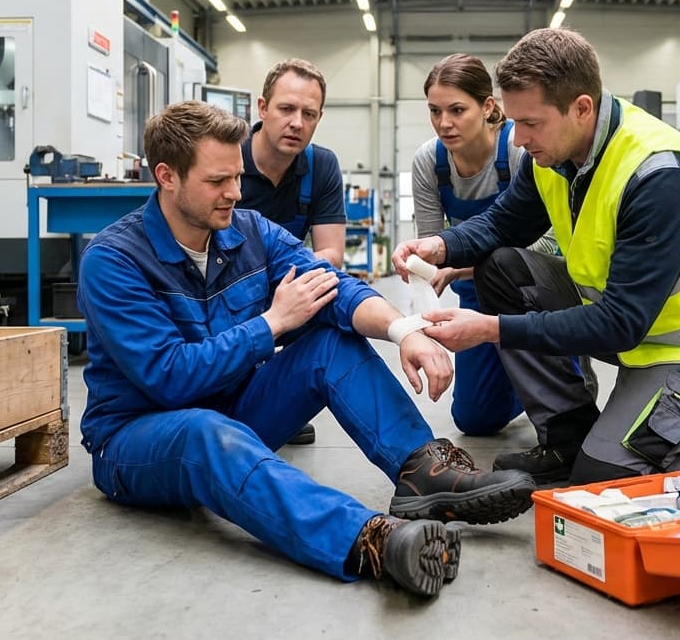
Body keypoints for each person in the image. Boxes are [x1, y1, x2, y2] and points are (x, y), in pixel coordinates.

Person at [77, 101, 535, 598]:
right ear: (166, 176)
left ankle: (423, 471)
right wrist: (271, 323)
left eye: (236, 177)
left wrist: (406, 331)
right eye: (217, 182)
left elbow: (334, 287)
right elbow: (167, 376)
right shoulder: (114, 261)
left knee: (328, 341)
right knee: (202, 431)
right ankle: (370, 539)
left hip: (231, 411)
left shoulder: (247, 232)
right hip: (138, 439)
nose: (234, 193)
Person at [393, 28, 680, 487]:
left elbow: (620, 321)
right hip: (633, 327)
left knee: (613, 476)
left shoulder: (661, 176)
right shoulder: (550, 156)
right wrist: (441, 246)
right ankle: (567, 437)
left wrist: (491, 329)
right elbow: (502, 225)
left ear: (582, 108)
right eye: (515, 124)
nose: (518, 140)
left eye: (530, 124)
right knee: (503, 269)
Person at [412, 53, 557, 437]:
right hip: (475, 296)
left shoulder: (519, 151)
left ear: (488, 106)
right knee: (475, 421)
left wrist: (464, 266)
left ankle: (561, 362)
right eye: (435, 111)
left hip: (532, 291)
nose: (445, 123)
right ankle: (516, 387)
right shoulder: (430, 162)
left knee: (555, 404)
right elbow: (431, 246)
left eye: (457, 110)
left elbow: (552, 240)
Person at [239, 58, 347, 446]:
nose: (296, 122)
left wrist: (300, 283)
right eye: (286, 109)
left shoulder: (322, 166)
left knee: (331, 303)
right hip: (222, 293)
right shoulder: (227, 159)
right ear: (262, 107)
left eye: (308, 113)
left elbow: (332, 251)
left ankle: (284, 399)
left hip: (286, 280)